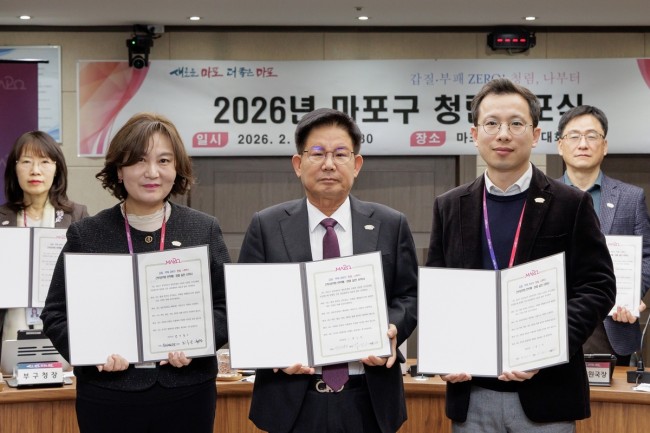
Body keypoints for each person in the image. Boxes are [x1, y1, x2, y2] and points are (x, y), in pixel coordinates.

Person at [426, 78, 616, 433]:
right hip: (472, 394)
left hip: (547, 395)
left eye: (516, 123)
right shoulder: (449, 206)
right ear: (474, 134)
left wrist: (548, 346)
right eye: (492, 123)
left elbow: (598, 287)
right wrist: (443, 351)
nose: (503, 134)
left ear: (536, 134)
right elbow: (438, 292)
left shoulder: (571, 204)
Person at [41, 113, 230, 433]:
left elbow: (228, 306)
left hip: (187, 393)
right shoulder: (86, 234)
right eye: (139, 160)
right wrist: (89, 352)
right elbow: (55, 313)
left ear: (177, 168)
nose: (152, 172)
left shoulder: (203, 228)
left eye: (164, 160)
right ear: (119, 169)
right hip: (108, 395)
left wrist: (199, 343)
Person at [239, 108, 418, 433]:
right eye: (318, 153)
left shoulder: (391, 224)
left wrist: (392, 327)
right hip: (291, 400)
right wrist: (274, 351)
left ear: (356, 164)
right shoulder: (266, 225)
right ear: (298, 164)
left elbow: (408, 295)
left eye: (340, 154)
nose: (329, 164)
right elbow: (248, 307)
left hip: (368, 399)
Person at [557, 105, 650, 366]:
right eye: (574, 136)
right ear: (560, 146)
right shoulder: (542, 198)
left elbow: (647, 255)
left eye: (592, 136)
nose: (583, 144)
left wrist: (633, 294)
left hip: (613, 324)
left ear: (605, 146)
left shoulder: (631, 198)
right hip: (557, 324)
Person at [0, 130, 88, 361]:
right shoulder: (1, 218)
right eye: (26, 162)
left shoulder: (77, 216)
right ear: (14, 168)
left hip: (61, 332)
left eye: (44, 162)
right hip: (10, 329)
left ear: (57, 168)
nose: (35, 170)